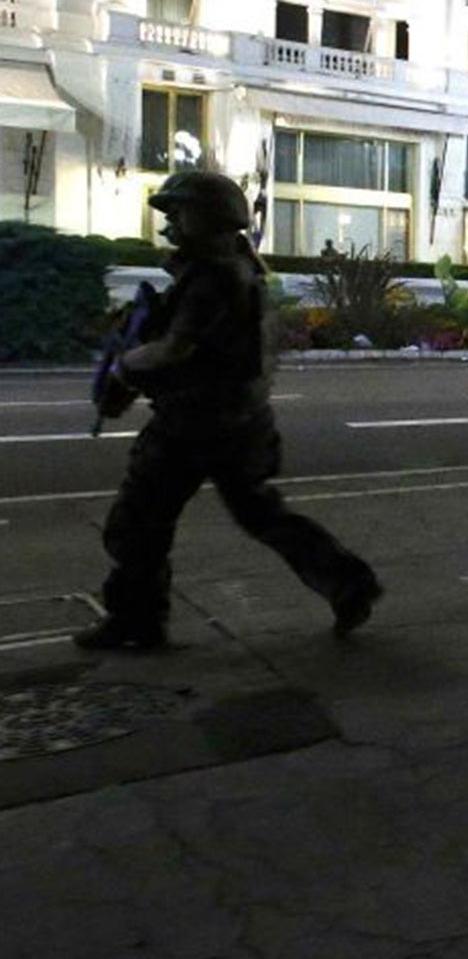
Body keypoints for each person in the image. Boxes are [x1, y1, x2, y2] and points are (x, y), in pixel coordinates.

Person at [76, 170, 383, 650]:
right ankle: (349, 584)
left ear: (208, 217)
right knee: (262, 515)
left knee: (137, 523)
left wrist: (122, 368)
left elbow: (175, 349)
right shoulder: (235, 267)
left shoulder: (214, 277)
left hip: (194, 425)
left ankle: (136, 620)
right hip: (238, 422)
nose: (170, 223)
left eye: (179, 212)